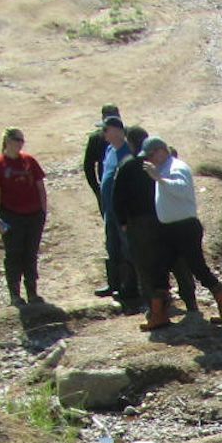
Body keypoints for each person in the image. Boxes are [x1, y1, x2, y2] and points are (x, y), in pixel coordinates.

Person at [143, 136, 222, 329]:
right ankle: (159, 315)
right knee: (159, 268)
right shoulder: (163, 169)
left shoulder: (177, 167)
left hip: (185, 228)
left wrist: (159, 179)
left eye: (151, 155)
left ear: (161, 151)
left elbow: (182, 189)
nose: (150, 160)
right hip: (168, 229)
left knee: (198, 268)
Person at [112, 125, 172, 330]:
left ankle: (155, 312)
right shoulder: (160, 164)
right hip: (162, 220)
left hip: (138, 223)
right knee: (161, 263)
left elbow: (117, 198)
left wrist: (122, 223)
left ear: (130, 143)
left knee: (144, 267)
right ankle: (164, 306)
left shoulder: (127, 166)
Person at [0, 127, 47, 307]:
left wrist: (43, 211)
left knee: (31, 254)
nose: (21, 143)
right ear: (8, 141)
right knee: (14, 255)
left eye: (22, 140)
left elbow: (40, 187)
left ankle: (32, 292)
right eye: (17, 140)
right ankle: (14, 294)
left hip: (33, 215)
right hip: (11, 216)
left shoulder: (29, 161)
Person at [96, 114, 134, 302]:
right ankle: (114, 284)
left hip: (123, 211)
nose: (103, 133)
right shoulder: (110, 149)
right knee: (111, 245)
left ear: (117, 131)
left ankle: (130, 288)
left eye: (106, 129)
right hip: (109, 210)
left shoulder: (128, 151)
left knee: (126, 247)